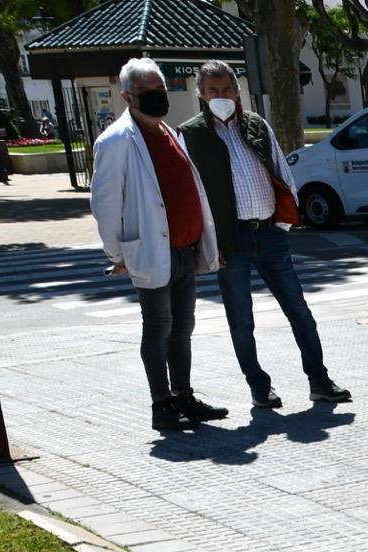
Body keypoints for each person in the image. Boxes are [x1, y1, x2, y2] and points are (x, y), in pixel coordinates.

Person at [180, 61, 351, 410]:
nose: (221, 96)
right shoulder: (191, 135)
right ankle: (259, 387)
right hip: (231, 242)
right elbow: (191, 196)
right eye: (213, 90)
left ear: (237, 89)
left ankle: (319, 380)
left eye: (227, 89)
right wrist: (209, 246)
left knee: (299, 311)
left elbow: (281, 172)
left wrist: (284, 223)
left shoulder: (256, 124)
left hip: (270, 233)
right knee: (241, 319)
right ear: (201, 93)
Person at [91, 57, 226, 434]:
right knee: (158, 326)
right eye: (146, 92)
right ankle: (161, 404)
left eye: (160, 90)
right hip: (150, 250)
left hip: (185, 248)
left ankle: (183, 395)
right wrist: (116, 254)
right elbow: (104, 203)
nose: (155, 97)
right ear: (126, 96)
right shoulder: (116, 141)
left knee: (183, 326)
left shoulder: (169, 132)